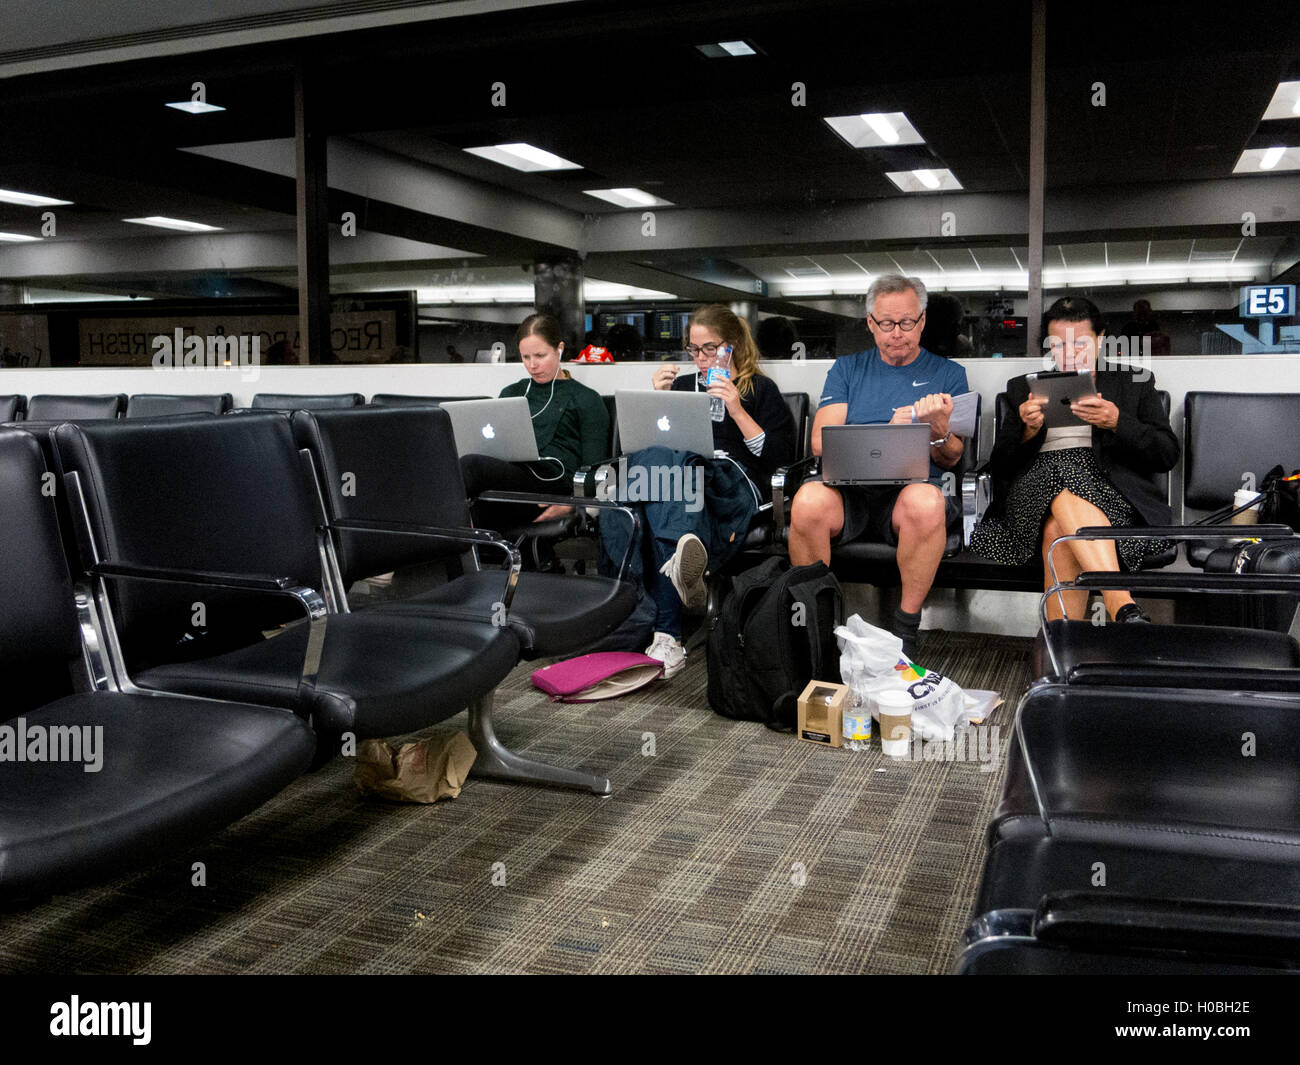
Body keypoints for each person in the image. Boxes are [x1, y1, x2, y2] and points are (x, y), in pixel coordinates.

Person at [604, 303, 795, 677]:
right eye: (694, 349)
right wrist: (657, 400)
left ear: (733, 345)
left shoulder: (759, 389)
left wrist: (737, 410)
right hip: (683, 485)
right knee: (659, 473)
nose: (701, 358)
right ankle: (678, 572)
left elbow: (777, 459)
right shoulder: (682, 386)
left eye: (710, 348)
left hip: (731, 481)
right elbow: (644, 447)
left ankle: (661, 632)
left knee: (650, 490)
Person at [788, 274, 969, 659]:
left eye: (906, 323)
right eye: (886, 323)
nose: (897, 333)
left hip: (907, 500)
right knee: (806, 500)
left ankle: (905, 633)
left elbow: (952, 457)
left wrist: (935, 431)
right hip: (848, 492)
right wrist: (889, 432)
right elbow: (820, 442)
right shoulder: (848, 369)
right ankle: (817, 628)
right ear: (871, 323)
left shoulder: (949, 374)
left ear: (921, 321)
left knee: (926, 500)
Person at [969, 295, 1179, 622]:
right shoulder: (1020, 389)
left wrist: (1117, 421)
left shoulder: (1133, 383)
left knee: (1059, 532)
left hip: (1111, 499)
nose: (1069, 354)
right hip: (1030, 501)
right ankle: (1122, 606)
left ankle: (1062, 646)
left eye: (1080, 344)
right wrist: (1026, 430)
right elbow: (999, 466)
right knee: (1061, 468)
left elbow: (1167, 454)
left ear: (1101, 339)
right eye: (1058, 345)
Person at [459, 312, 608, 560]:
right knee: (470, 505)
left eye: (540, 356)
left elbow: (596, 469)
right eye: (525, 357)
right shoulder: (512, 393)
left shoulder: (586, 399)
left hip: (555, 487)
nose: (532, 365)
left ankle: (407, 545)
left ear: (559, 349)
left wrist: (573, 502)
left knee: (470, 467)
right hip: (514, 486)